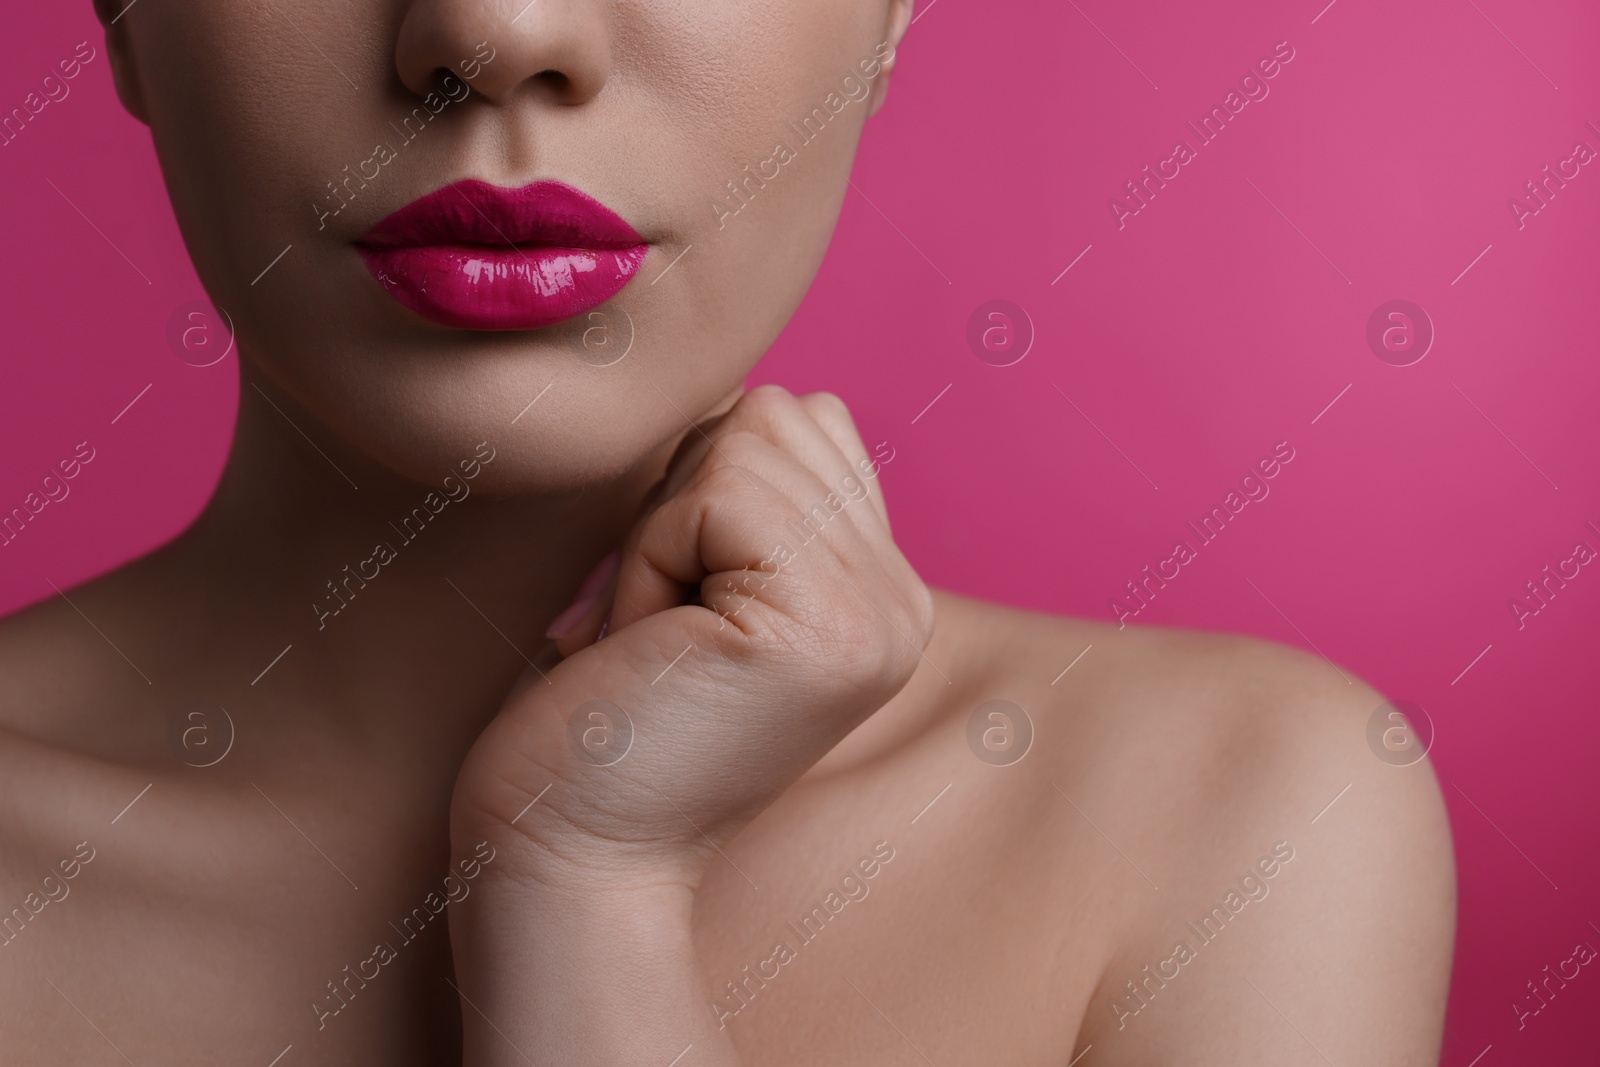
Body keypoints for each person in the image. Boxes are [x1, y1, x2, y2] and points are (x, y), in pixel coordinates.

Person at [0, 0, 1455, 1062]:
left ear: (892, 14)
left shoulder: (1238, 820)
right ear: (122, 15)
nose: (496, 34)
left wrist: (583, 893)